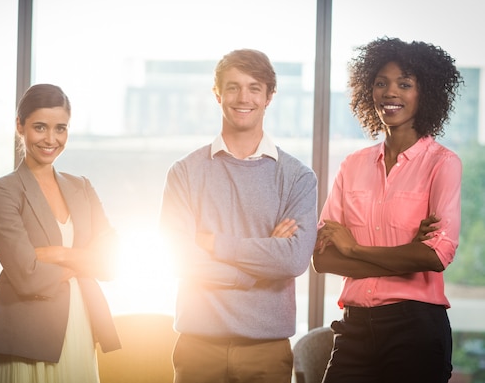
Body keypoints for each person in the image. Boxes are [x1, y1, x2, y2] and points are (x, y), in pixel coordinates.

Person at [159, 48, 318, 383]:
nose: (242, 97)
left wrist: (215, 243)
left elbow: (292, 261)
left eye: (254, 87)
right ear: (217, 94)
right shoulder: (185, 173)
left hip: (266, 350)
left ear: (269, 96)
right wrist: (258, 268)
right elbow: (179, 259)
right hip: (197, 347)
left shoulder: (298, 177)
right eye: (232, 87)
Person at [313, 37, 463, 383]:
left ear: (425, 93)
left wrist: (353, 248)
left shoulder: (443, 164)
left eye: (404, 84)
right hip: (354, 329)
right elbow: (323, 259)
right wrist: (407, 253)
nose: (389, 92)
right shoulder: (353, 165)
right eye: (381, 83)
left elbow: (435, 256)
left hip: (416, 329)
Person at [0, 83, 121, 383]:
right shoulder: (2, 190)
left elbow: (111, 262)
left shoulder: (81, 186)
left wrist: (60, 255)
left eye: (61, 128)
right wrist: (85, 260)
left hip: (80, 325)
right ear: (20, 126)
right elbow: (27, 276)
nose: (51, 139)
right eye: (40, 127)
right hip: (25, 336)